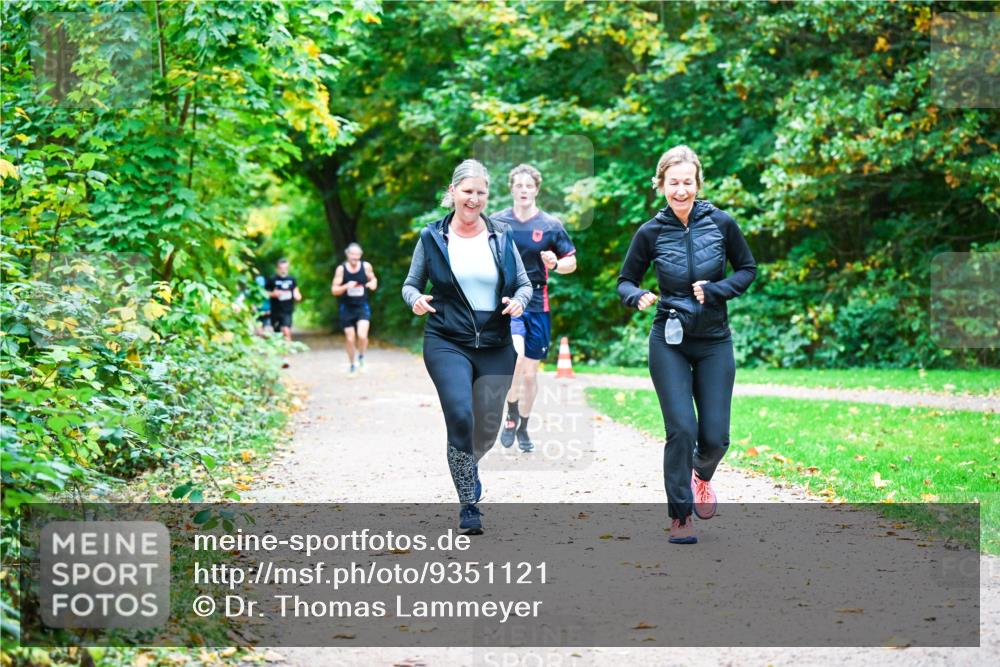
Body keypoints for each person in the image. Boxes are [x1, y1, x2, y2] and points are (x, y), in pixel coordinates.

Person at [617, 145, 756, 545]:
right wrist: (635, 295)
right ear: (661, 184)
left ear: (698, 183)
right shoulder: (650, 232)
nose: (681, 190)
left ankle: (702, 475)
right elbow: (625, 279)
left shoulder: (722, 223)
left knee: (715, 438)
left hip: (714, 340)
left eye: (687, 182)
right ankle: (680, 516)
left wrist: (717, 290)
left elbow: (747, 269)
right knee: (681, 429)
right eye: (673, 183)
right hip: (670, 340)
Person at [402, 159, 532, 535]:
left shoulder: (502, 235)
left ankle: (466, 465)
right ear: (453, 192)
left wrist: (520, 301)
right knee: (460, 415)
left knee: (487, 429)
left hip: (495, 342)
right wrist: (415, 300)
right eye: (467, 191)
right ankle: (468, 503)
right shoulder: (432, 237)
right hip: (446, 340)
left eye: (481, 192)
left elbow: (523, 283)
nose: (474, 199)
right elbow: (411, 283)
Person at [492, 164, 577, 453]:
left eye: (529, 185)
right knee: (514, 359)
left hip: (539, 303)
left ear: (537, 189)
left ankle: (523, 424)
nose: (524, 190)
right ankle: (510, 416)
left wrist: (555, 264)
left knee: (530, 374)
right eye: (519, 185)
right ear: (512, 189)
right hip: (510, 300)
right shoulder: (497, 222)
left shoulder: (551, 225)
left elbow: (571, 262)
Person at [331, 242, 378, 376]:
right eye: (353, 255)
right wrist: (346, 287)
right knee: (350, 339)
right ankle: (352, 365)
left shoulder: (366, 266)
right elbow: (334, 290)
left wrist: (372, 284)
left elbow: (373, 279)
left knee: (362, 335)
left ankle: (361, 357)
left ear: (360, 255)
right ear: (348, 255)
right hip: (347, 308)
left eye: (358, 256)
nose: (355, 258)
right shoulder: (341, 269)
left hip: (362, 306)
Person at [266, 258, 302, 342]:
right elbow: (264, 293)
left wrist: (298, 296)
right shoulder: (272, 279)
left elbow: (296, 291)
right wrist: (273, 294)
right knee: (277, 331)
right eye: (281, 268)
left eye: (285, 268)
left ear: (288, 269)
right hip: (275, 309)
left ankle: (288, 346)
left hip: (287, 309)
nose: (283, 271)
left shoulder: (292, 279)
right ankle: (279, 348)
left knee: (286, 328)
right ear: (277, 269)